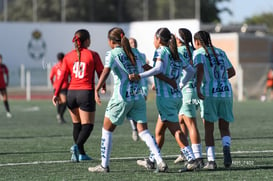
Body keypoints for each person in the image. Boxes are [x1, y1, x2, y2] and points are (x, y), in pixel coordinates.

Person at [88, 27, 168, 173]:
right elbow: (148, 67)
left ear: (111, 41)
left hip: (122, 98)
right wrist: (165, 78)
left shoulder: (112, 53)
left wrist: (96, 88)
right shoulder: (135, 52)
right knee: (143, 131)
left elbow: (105, 72)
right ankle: (160, 160)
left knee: (107, 130)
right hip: (138, 96)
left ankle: (104, 165)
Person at [131, 27, 199, 171]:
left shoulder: (162, 51)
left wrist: (140, 75)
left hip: (165, 99)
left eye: (154, 38)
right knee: (159, 131)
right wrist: (180, 84)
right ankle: (151, 160)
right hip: (176, 97)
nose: (153, 41)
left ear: (158, 39)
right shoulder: (175, 53)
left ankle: (192, 158)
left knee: (176, 130)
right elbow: (191, 71)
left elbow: (158, 69)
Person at [52, 29, 105, 162]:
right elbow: (101, 72)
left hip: (71, 94)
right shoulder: (93, 54)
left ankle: (81, 154)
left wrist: (56, 93)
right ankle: (77, 147)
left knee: (77, 125)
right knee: (88, 125)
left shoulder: (68, 57)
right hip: (85, 93)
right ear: (87, 40)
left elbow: (62, 77)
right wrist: (102, 86)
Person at [193, 30, 236, 170]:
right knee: (224, 127)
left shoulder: (198, 53)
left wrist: (198, 88)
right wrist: (220, 80)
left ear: (197, 42)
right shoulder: (221, 52)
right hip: (225, 92)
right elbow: (232, 71)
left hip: (209, 93)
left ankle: (211, 161)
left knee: (209, 128)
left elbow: (199, 70)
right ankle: (226, 149)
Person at [173, 28, 203, 166]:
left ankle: (198, 157)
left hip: (186, 90)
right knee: (181, 120)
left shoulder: (178, 51)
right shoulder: (194, 50)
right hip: (195, 89)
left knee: (191, 124)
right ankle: (184, 153)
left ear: (179, 39)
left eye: (175, 36)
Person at [128, 37, 149, 141]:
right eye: (131, 42)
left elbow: (145, 68)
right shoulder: (126, 56)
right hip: (132, 85)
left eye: (135, 42)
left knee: (140, 106)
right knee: (131, 108)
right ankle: (134, 129)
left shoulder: (142, 55)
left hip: (142, 84)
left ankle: (142, 129)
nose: (134, 44)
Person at [50, 52, 68, 124]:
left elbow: (51, 77)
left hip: (56, 86)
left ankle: (60, 116)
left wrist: (53, 84)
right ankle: (60, 115)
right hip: (63, 86)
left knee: (59, 102)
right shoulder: (65, 66)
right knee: (65, 102)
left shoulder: (55, 66)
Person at [0, 54, 12, 118]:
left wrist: (7, 82)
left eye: (1, 59)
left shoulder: (3, 66)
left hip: (2, 85)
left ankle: (8, 112)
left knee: (5, 99)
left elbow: (7, 74)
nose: (0, 60)